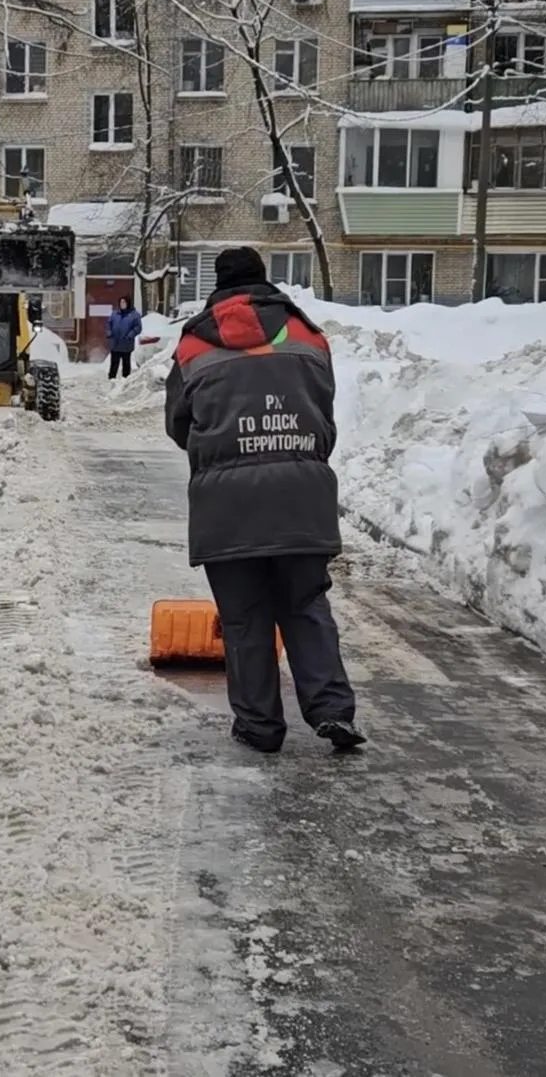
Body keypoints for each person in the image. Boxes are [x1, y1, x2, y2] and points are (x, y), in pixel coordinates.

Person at [163, 247, 365, 755]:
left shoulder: (193, 345)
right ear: (264, 282)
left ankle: (260, 726)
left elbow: (178, 424)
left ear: (218, 287)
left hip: (227, 507)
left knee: (245, 617)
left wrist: (223, 451)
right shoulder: (307, 335)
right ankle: (332, 711)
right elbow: (323, 412)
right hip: (301, 495)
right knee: (305, 604)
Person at [106, 298, 143, 379]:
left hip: (126, 343)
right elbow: (109, 323)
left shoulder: (134, 314)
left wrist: (130, 335)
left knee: (126, 363)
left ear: (128, 303)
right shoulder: (115, 313)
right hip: (115, 343)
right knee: (114, 363)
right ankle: (112, 378)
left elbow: (138, 327)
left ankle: (125, 379)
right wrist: (109, 332)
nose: (122, 304)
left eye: (124, 302)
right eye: (121, 302)